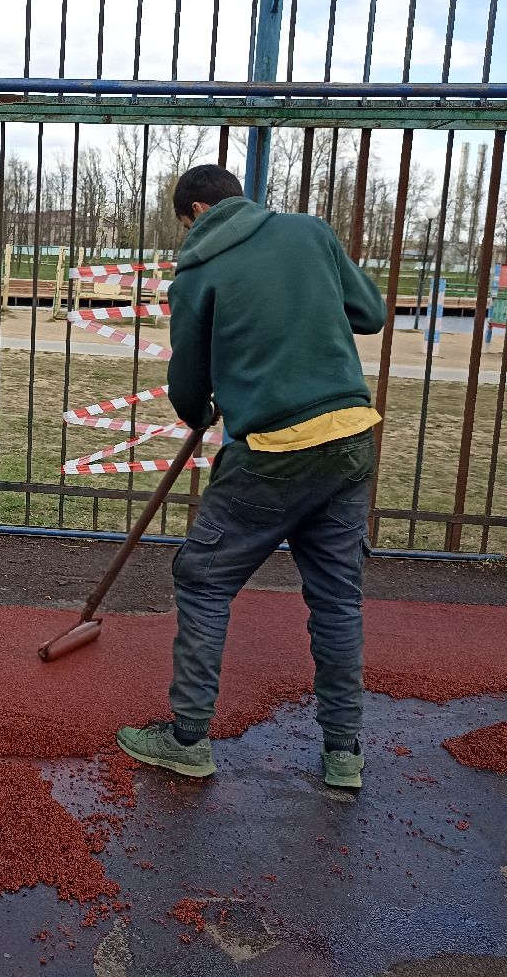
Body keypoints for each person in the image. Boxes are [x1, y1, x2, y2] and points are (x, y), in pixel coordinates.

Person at [115, 165, 387, 790]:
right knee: (337, 597)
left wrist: (200, 406)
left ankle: (186, 740)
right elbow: (368, 313)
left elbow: (187, 384)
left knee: (203, 578)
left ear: (198, 210)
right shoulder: (309, 233)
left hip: (273, 448)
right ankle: (343, 754)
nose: (187, 234)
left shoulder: (197, 271)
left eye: (185, 223)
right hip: (349, 438)